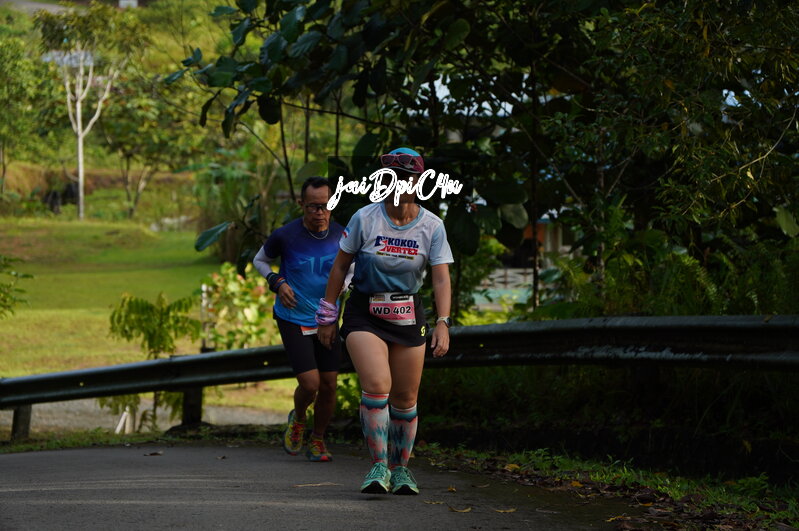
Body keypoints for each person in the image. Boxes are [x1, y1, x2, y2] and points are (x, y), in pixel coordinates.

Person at [317, 147, 453, 495]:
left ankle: (400, 469)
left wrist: (443, 322)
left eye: (406, 178)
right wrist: (328, 315)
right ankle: (378, 466)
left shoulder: (432, 226)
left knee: (406, 397)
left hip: (408, 314)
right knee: (378, 385)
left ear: (419, 182)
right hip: (365, 312)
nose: (398, 184)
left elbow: (440, 278)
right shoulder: (365, 218)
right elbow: (339, 266)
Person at [253, 176, 345, 462]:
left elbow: (352, 268)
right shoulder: (286, 235)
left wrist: (340, 296)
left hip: (327, 318)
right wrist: (277, 282)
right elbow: (259, 260)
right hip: (293, 316)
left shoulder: (343, 235)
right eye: (313, 207)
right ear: (301, 204)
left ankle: (317, 440)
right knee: (310, 384)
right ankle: (299, 418)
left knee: (329, 384)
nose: (320, 212)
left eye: (325, 206)